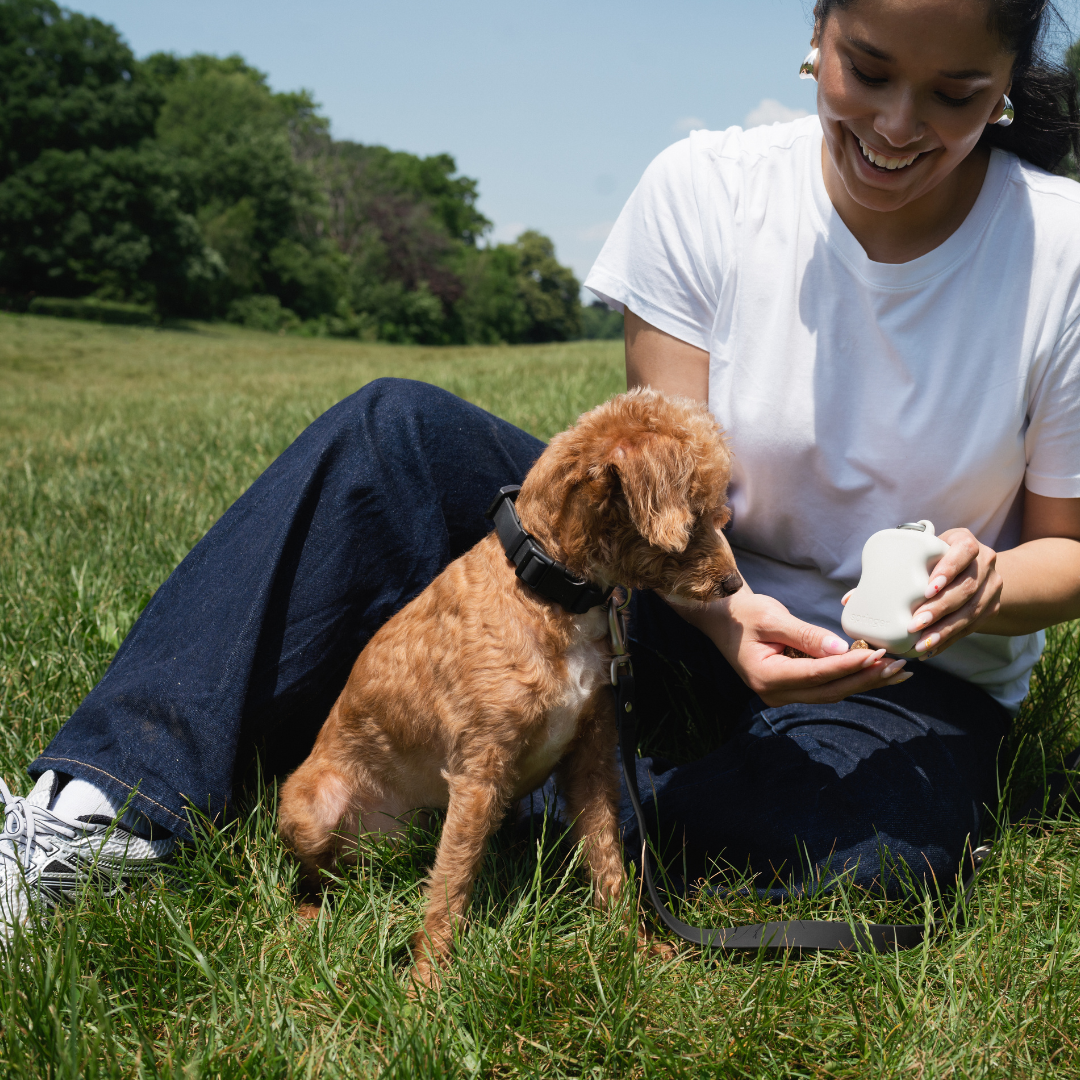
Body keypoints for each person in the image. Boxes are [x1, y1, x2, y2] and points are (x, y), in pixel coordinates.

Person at [3, 0, 1080, 930]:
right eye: (870, 70)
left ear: (1006, 93)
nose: (896, 126)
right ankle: (96, 811)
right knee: (398, 438)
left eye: (952, 93)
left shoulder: (1060, 253)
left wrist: (982, 589)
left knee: (876, 852)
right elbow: (649, 479)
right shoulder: (706, 189)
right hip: (666, 608)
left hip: (898, 680)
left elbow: (1066, 556)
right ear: (816, 37)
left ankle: (475, 770)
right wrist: (729, 620)